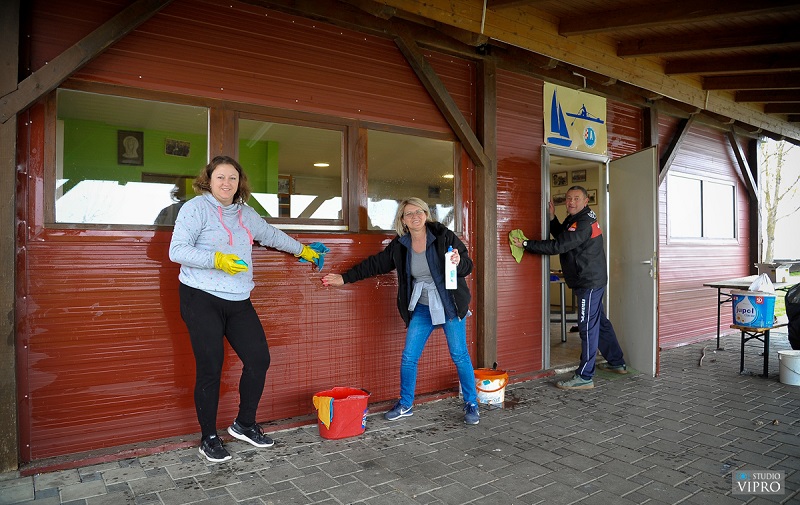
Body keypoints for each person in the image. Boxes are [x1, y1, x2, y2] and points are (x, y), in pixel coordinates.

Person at [169, 155, 320, 463]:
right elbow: (177, 250)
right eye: (220, 177)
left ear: (240, 183)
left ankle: (244, 424)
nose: (227, 183)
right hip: (201, 297)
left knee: (259, 359)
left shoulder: (245, 214)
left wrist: (303, 250)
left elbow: (272, 236)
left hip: (238, 299)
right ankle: (208, 437)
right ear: (209, 180)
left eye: (233, 178)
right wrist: (216, 259)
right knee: (210, 367)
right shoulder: (195, 209)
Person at [321, 197, 480, 425]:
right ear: (403, 220)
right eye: (409, 214)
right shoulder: (401, 245)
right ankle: (406, 404)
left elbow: (467, 265)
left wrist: (457, 261)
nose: (415, 216)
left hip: (449, 304)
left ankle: (472, 403)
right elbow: (376, 264)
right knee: (409, 357)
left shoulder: (443, 236)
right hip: (422, 307)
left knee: (459, 354)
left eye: (419, 211)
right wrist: (344, 278)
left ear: (426, 214)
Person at [511, 185, 627, 390]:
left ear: (586, 200)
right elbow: (563, 236)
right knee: (599, 323)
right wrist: (552, 218)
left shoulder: (583, 222)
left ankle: (585, 376)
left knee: (587, 326)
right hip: (591, 279)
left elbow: (559, 246)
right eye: (568, 198)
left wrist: (526, 244)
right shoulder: (577, 218)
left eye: (576, 198)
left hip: (589, 282)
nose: (571, 202)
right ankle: (616, 362)